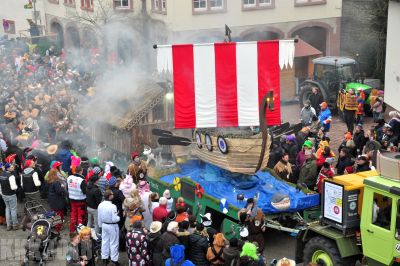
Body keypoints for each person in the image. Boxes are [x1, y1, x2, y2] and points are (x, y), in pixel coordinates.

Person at [98, 189, 120, 266]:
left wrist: (100, 225)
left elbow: (99, 217)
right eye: (112, 194)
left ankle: (104, 258)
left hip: (104, 225)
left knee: (104, 241)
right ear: (110, 196)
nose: (113, 195)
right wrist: (118, 217)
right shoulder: (113, 206)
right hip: (112, 225)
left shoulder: (100, 204)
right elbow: (114, 219)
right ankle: (114, 260)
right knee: (114, 243)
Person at [68, 165, 87, 233]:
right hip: (80, 201)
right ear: (81, 171)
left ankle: (72, 230)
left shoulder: (69, 178)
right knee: (80, 216)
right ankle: (80, 231)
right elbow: (85, 192)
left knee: (73, 214)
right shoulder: (82, 180)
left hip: (72, 200)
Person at [0, 163, 19, 230]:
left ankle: (8, 225)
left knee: (7, 209)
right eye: (11, 167)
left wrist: (2, 193)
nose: (13, 168)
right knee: (13, 209)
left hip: (4, 194)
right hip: (11, 194)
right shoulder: (11, 176)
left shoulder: (1, 174)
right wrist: (17, 187)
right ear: (7, 168)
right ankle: (15, 225)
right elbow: (13, 187)